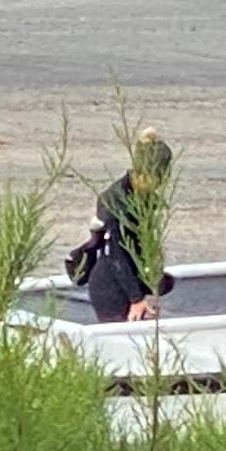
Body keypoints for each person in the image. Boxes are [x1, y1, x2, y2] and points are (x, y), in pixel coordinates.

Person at [75, 128, 177, 323]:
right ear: (145, 173)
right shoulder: (115, 201)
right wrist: (136, 298)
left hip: (131, 280)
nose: (159, 186)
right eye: (157, 179)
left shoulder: (142, 197)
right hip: (111, 286)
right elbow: (116, 254)